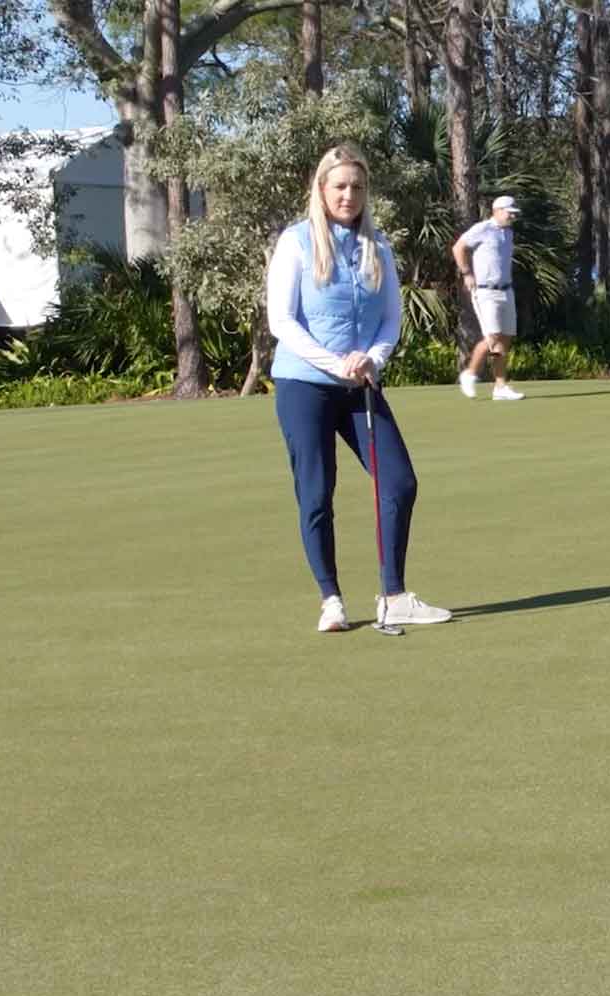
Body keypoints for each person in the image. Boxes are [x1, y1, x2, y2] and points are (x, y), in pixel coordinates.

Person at [267, 144, 453, 633]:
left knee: (399, 482)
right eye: (340, 186)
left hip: (360, 384)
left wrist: (372, 358)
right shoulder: (297, 241)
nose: (349, 195)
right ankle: (331, 599)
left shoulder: (379, 246)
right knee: (316, 492)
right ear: (322, 189)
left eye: (357, 187)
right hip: (303, 384)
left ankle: (393, 595)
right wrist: (336, 363)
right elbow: (281, 321)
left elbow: (391, 319)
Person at [452, 196, 525, 401]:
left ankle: (500, 387)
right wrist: (467, 273)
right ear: (497, 210)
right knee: (492, 337)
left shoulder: (508, 233)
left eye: (514, 213)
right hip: (486, 291)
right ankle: (470, 374)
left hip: (506, 291)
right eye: (509, 212)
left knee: (505, 338)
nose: (512, 215)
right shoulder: (482, 228)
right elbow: (458, 248)